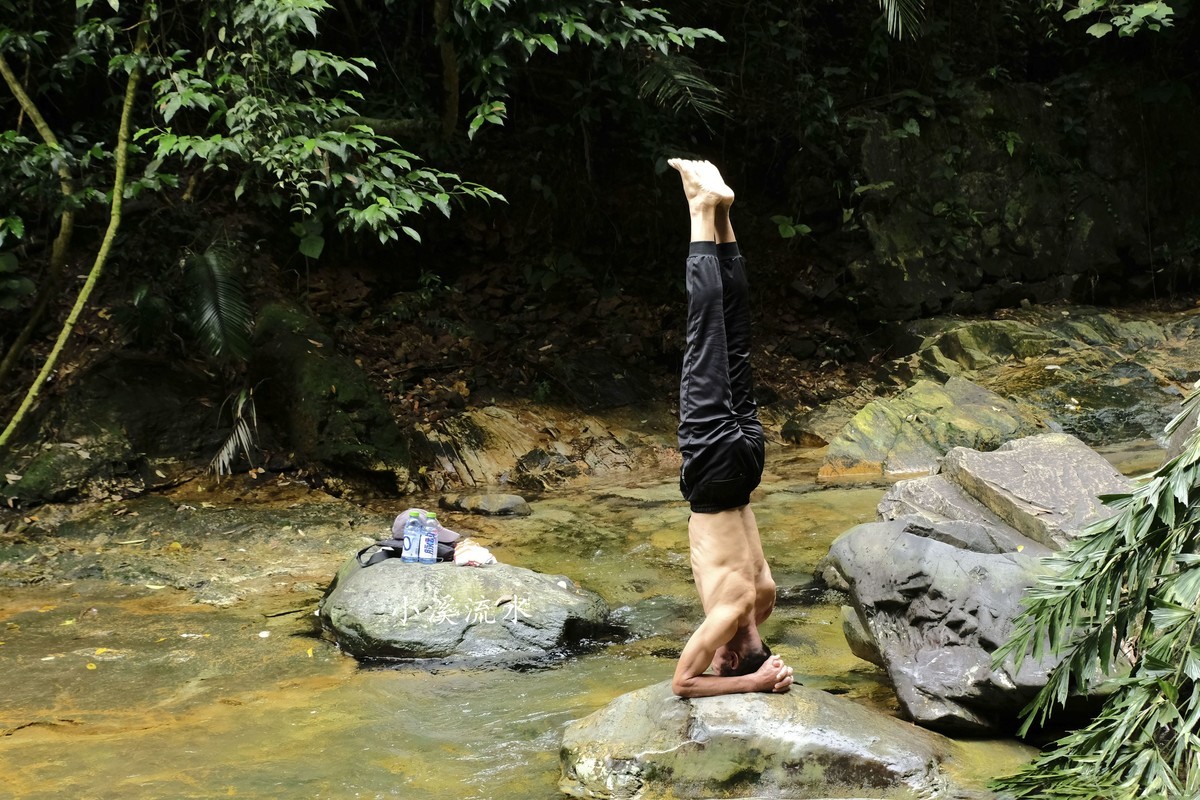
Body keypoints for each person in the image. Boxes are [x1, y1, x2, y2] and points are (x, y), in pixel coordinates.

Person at [667, 158, 794, 698]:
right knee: (705, 337)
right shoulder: (730, 614)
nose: (711, 658)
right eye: (724, 663)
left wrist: (767, 665)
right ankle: (701, 208)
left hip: (747, 468)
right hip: (715, 472)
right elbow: (682, 684)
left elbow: (739, 652)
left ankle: (722, 212)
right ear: (736, 655)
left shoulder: (765, 598)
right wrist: (756, 683)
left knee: (733, 338)